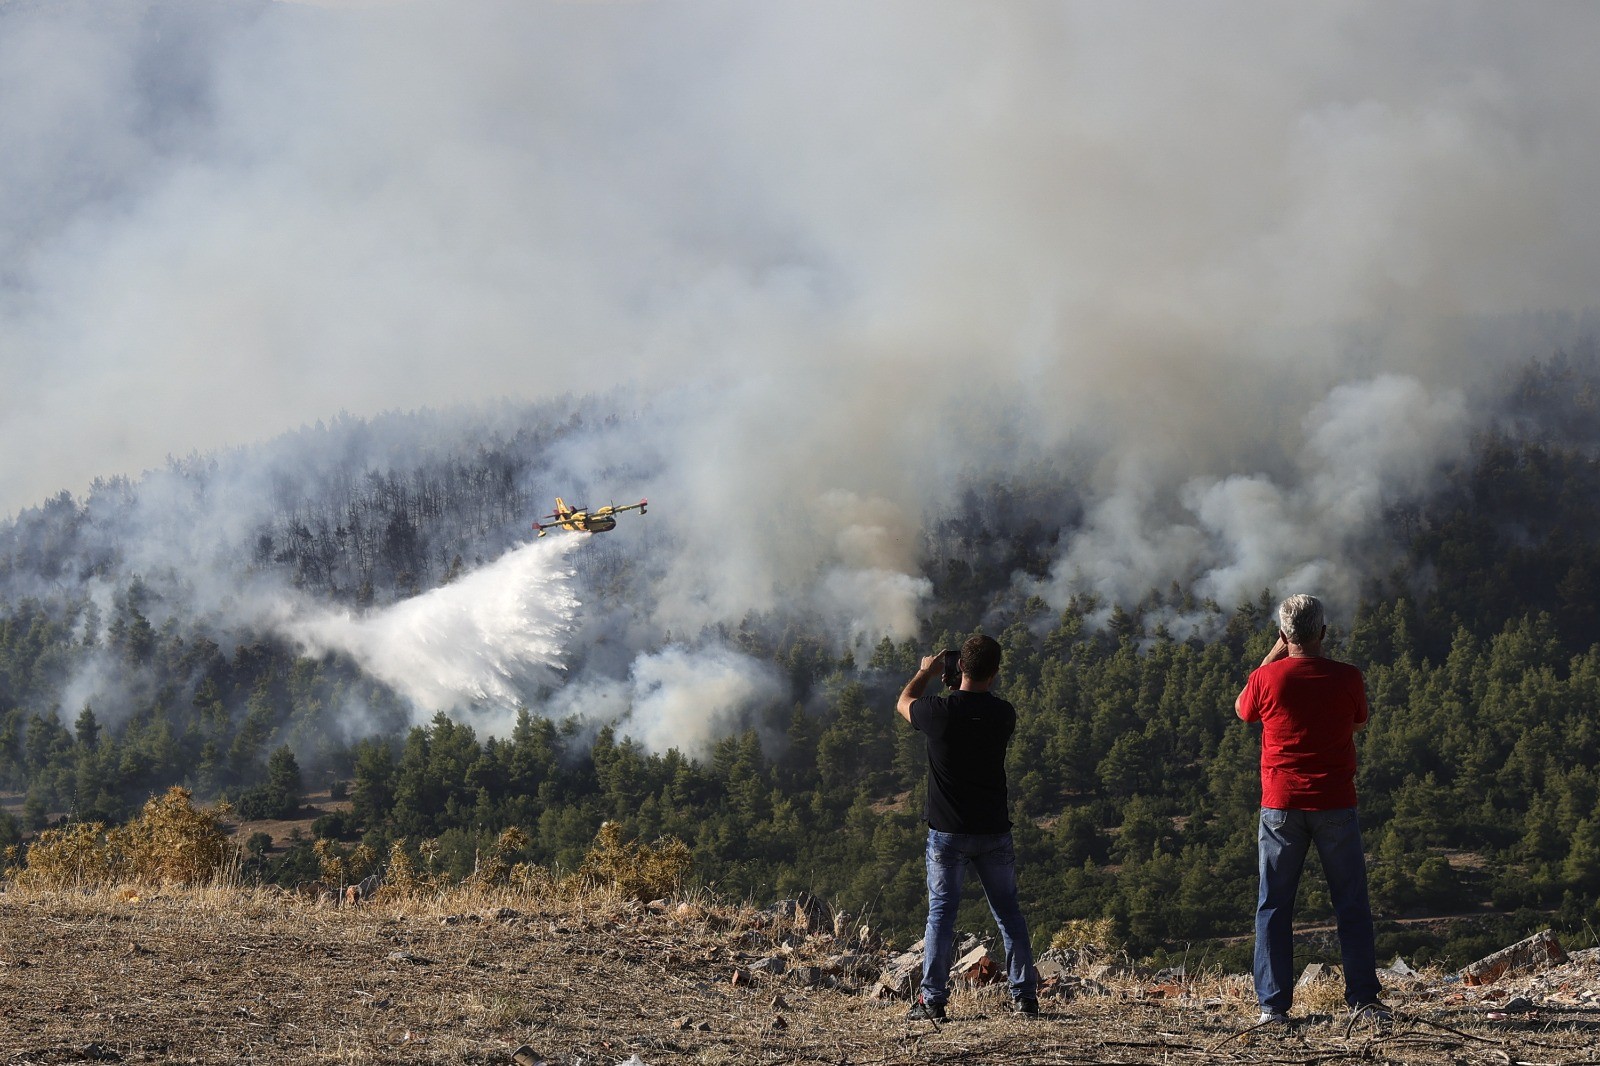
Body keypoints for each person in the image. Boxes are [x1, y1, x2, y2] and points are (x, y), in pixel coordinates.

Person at [1235, 593, 1391, 1026]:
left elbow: (1242, 709)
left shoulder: (1268, 679)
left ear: (1286, 635)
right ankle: (1362, 999)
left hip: (1281, 806)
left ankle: (1273, 1008)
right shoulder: (1348, 677)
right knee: (1351, 904)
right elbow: (1359, 722)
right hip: (1336, 803)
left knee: (1274, 906)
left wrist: (1274, 652)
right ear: (1323, 632)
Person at [896, 633, 1038, 1020]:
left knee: (941, 915)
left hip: (947, 834)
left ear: (959, 667)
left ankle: (933, 1001)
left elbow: (903, 703)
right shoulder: (1003, 715)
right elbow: (978, 707)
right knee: (1009, 913)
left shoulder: (937, 713)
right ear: (995, 673)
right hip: (993, 831)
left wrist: (925, 672)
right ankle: (1025, 996)